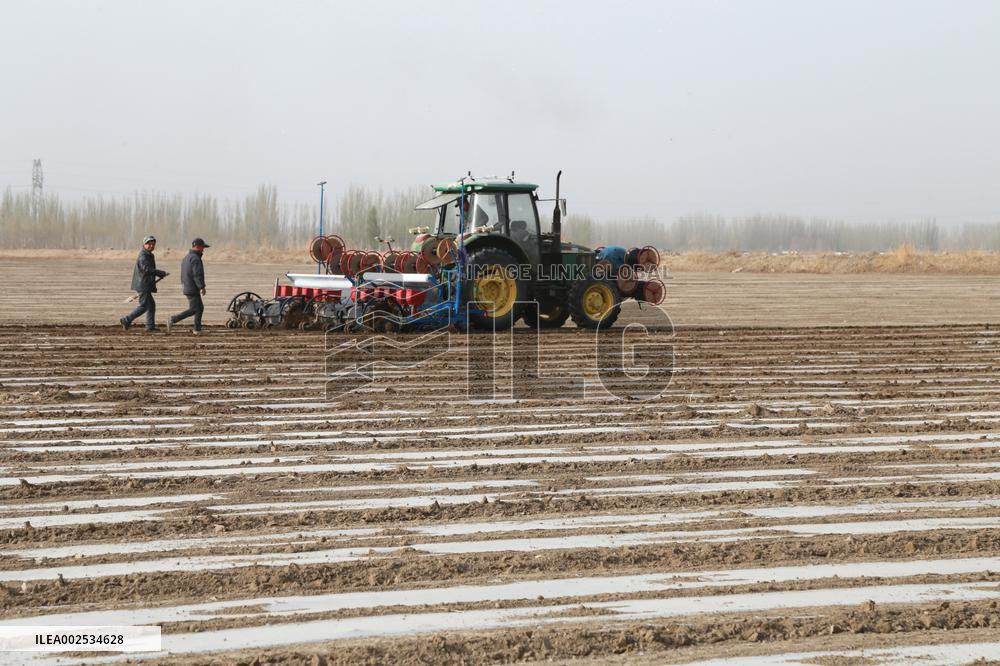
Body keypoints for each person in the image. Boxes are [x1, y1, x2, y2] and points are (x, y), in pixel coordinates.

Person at [120, 235, 167, 331]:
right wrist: (159, 272)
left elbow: (149, 270)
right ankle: (126, 319)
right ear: (144, 244)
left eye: (152, 244)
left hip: (145, 283)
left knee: (151, 305)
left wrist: (159, 273)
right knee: (144, 306)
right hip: (142, 284)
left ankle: (150, 326)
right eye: (148, 244)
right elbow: (146, 269)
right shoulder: (143, 255)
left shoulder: (149, 254)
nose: (151, 245)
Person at [167, 238, 210, 335]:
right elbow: (197, 274)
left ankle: (197, 330)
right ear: (198, 247)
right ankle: (173, 319)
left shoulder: (187, 257)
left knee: (199, 308)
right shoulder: (195, 258)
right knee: (194, 309)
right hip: (192, 287)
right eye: (203, 247)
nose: (203, 250)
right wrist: (202, 287)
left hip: (187, 286)